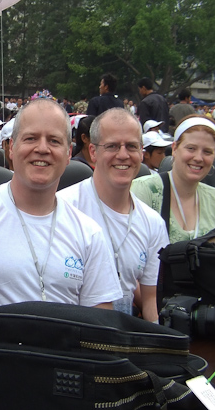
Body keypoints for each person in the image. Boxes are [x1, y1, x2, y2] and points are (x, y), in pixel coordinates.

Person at [0, 100, 122, 340]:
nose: (42, 149)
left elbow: (100, 322)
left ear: (68, 154)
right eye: (31, 138)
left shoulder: (89, 233)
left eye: (54, 141)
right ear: (12, 148)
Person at [59, 108, 169, 321]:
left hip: (121, 336)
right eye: (112, 146)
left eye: (131, 146)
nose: (123, 155)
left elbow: (150, 300)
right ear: (93, 151)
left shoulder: (152, 223)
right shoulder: (63, 208)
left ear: (141, 152)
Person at [132, 115, 215, 243]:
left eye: (207, 152)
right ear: (174, 149)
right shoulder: (144, 190)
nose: (198, 158)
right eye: (191, 148)